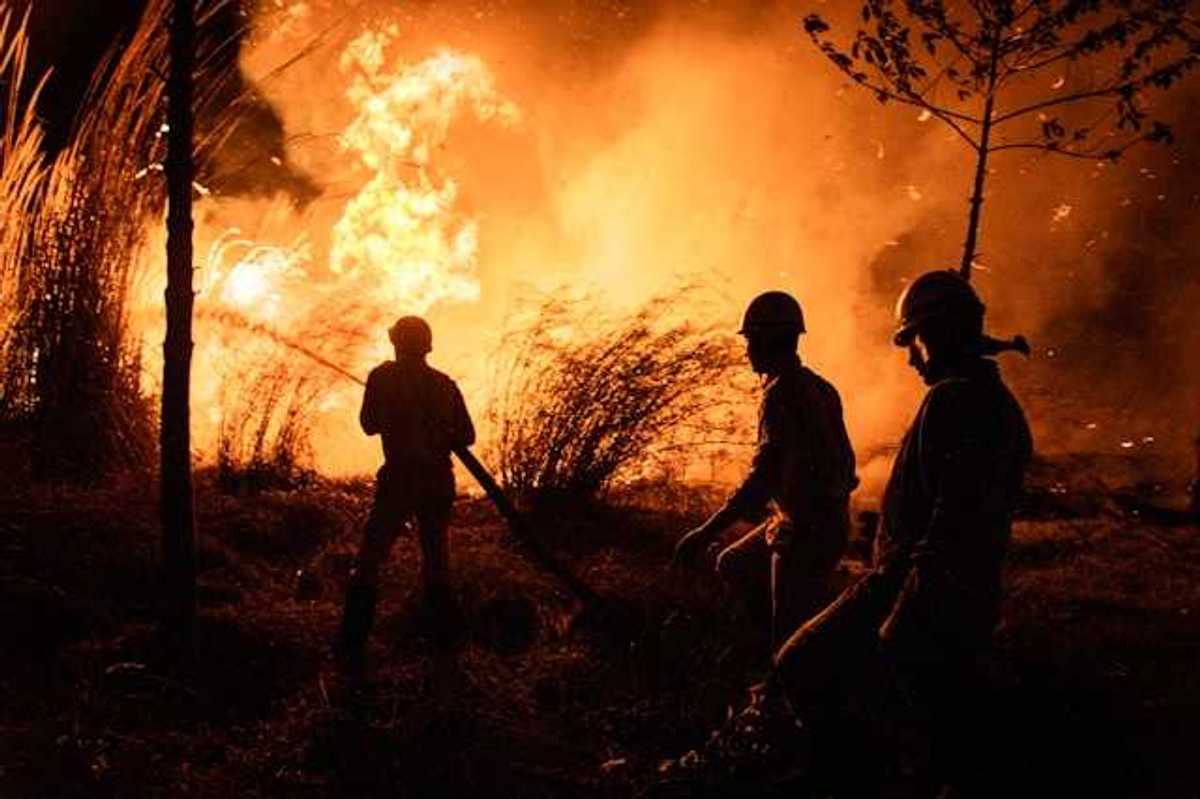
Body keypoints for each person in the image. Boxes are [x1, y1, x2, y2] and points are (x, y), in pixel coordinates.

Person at [772, 269, 1033, 795]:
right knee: (929, 717)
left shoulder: (953, 403)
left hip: (918, 589)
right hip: (958, 592)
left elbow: (953, 526)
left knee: (803, 662)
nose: (911, 358)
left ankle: (851, 777)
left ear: (936, 333)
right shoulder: (994, 402)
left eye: (913, 340)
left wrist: (903, 616)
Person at [672, 291, 858, 648]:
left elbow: (762, 478)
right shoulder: (822, 388)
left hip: (803, 532)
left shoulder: (781, 395)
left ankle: (782, 667)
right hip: (822, 523)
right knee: (735, 564)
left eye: (751, 341)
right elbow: (846, 466)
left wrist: (706, 532)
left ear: (767, 340)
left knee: (788, 638)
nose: (747, 351)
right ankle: (770, 645)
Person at [338, 315, 476, 660]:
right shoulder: (444, 384)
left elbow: (369, 425)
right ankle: (444, 647)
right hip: (438, 481)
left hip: (399, 479)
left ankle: (351, 646)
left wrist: (392, 409)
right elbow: (467, 435)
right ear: (427, 346)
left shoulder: (382, 377)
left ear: (396, 342)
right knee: (436, 561)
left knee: (370, 560)